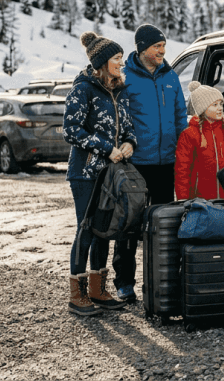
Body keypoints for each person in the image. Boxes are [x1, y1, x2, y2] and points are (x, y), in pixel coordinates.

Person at [112, 24, 189, 303]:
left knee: (163, 225)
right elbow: (118, 118)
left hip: (166, 162)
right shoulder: (126, 78)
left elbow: (181, 115)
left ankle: (160, 283)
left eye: (163, 46)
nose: (162, 51)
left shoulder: (171, 77)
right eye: (157, 46)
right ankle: (123, 282)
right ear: (142, 47)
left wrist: (183, 150)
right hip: (136, 163)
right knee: (129, 224)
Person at [62, 31, 137, 316]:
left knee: (104, 230)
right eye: (118, 59)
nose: (122, 63)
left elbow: (128, 126)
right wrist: (106, 148)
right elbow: (72, 130)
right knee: (86, 230)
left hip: (111, 174)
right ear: (103, 62)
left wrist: (130, 142)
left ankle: (97, 289)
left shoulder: (119, 90)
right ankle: (77, 295)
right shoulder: (83, 89)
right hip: (85, 173)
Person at [174, 82, 224, 200]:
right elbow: (183, 172)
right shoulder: (189, 135)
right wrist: (183, 200)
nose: (220, 108)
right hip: (199, 200)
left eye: (221, 104)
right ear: (203, 109)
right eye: (214, 105)